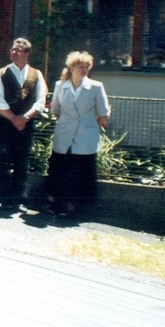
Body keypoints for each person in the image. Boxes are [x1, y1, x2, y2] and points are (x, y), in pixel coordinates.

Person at [45, 52, 110, 216]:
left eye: (87, 66)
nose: (84, 69)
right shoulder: (60, 85)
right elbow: (56, 110)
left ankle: (73, 207)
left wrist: (88, 126)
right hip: (64, 133)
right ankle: (54, 203)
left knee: (80, 170)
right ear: (72, 67)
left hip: (86, 135)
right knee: (60, 168)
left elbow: (103, 114)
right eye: (81, 66)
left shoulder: (96, 86)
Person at [0, 38, 47, 212]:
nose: (14, 53)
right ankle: (4, 199)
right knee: (4, 158)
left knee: (22, 161)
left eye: (19, 50)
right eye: (13, 50)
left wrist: (26, 118)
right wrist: (14, 118)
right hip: (4, 122)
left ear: (27, 54)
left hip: (26, 123)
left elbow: (40, 100)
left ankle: (18, 199)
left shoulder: (36, 74)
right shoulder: (1, 73)